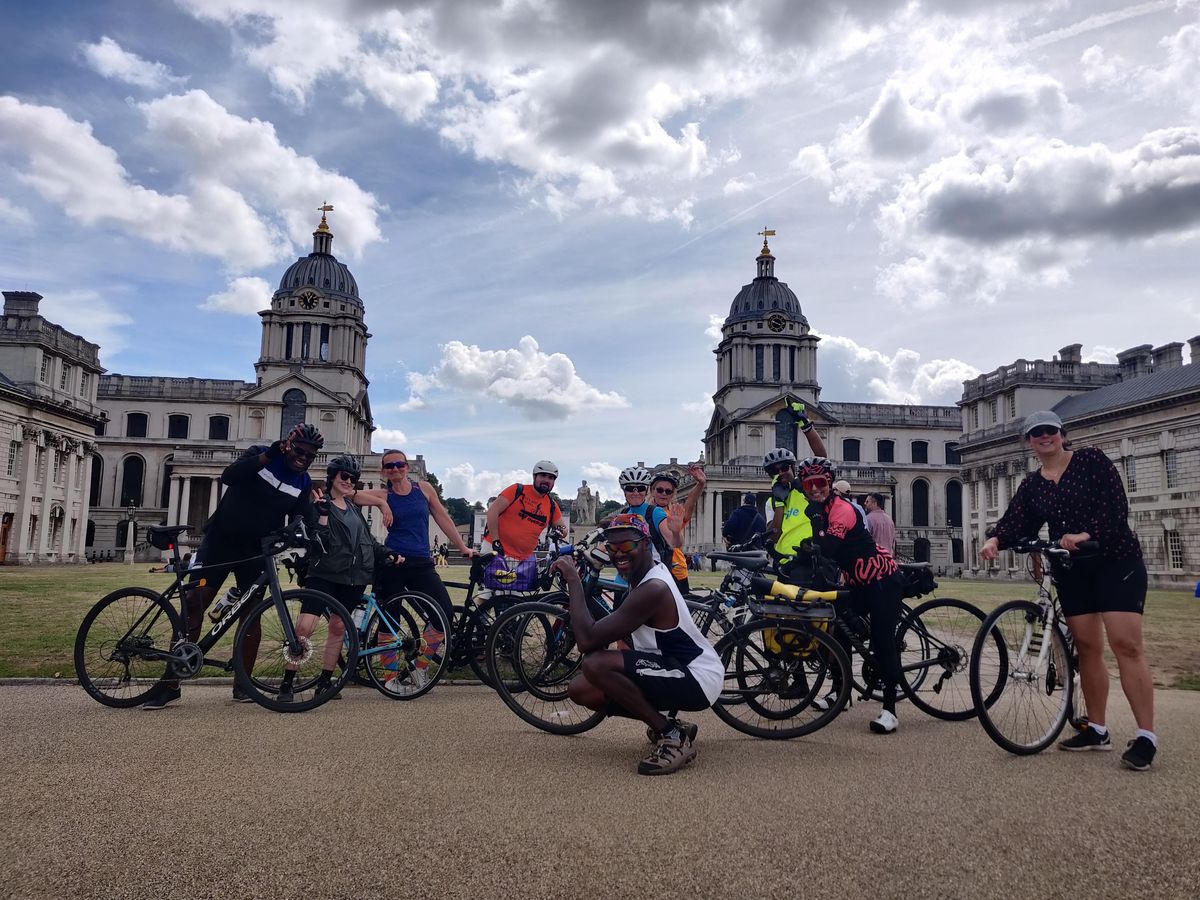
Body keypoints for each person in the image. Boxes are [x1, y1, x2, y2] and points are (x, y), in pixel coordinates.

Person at [980, 410, 1157, 771]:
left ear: (1062, 434)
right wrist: (996, 538)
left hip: (1115, 560)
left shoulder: (1091, 461)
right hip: (1072, 569)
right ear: (1029, 442)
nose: (1044, 437)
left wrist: (1085, 534)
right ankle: (1097, 729)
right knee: (1089, 649)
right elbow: (1018, 519)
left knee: (1127, 644)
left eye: (1049, 431)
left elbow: (1114, 507)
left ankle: (1146, 736)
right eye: (1036, 433)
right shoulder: (1033, 484)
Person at [141, 423, 323, 710]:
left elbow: (304, 517)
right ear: (288, 445)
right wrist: (268, 456)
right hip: (221, 541)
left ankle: (243, 685)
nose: (304, 458)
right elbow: (230, 476)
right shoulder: (261, 455)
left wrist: (314, 528)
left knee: (252, 615)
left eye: (311, 455)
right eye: (300, 451)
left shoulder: (302, 482)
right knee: (194, 602)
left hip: (256, 551)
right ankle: (169, 685)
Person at [552, 513, 723, 775]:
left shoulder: (652, 588)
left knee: (595, 663)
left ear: (645, 544)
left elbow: (586, 641)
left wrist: (573, 580)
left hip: (697, 676)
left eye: (627, 546)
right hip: (674, 666)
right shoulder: (644, 575)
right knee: (581, 689)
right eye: (612, 548)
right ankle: (671, 724)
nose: (619, 554)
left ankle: (672, 736)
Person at [277, 455, 398, 703]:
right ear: (332, 477)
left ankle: (325, 681)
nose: (348, 481)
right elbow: (317, 541)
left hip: (355, 577)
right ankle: (287, 682)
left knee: (338, 627)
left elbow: (367, 540)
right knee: (304, 627)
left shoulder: (354, 509)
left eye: (353, 478)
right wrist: (322, 515)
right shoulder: (319, 504)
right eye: (344, 476)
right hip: (325, 574)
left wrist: (386, 552)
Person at [796, 456, 903, 734]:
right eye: (810, 484)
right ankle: (839, 694)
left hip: (881, 578)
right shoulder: (818, 509)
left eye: (820, 483)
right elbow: (818, 547)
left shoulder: (840, 509)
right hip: (856, 580)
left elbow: (828, 547)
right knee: (838, 633)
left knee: (883, 641)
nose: (815, 488)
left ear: (830, 483)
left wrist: (813, 541)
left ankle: (890, 710)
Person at [354, 449, 476, 625]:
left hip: (421, 561)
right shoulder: (384, 495)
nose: (395, 469)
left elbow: (443, 518)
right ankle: (388, 653)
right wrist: (381, 503)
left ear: (407, 467)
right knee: (389, 621)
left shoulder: (424, 489)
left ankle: (426, 654)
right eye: (389, 466)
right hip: (393, 561)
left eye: (400, 464)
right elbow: (349, 495)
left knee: (443, 615)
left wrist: (462, 547)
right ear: (383, 471)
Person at [764, 400, 829, 566]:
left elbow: (821, 458)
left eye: (784, 467)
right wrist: (779, 503)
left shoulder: (808, 489)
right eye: (775, 471)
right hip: (785, 562)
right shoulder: (772, 502)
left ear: (792, 467)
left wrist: (805, 424)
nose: (781, 473)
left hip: (813, 558)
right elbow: (774, 535)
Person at [650, 464, 706, 595]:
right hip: (653, 571)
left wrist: (700, 484)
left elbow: (690, 503)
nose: (664, 494)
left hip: (676, 570)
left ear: (673, 494)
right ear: (652, 491)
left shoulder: (673, 513)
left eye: (668, 491)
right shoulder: (644, 513)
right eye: (660, 490)